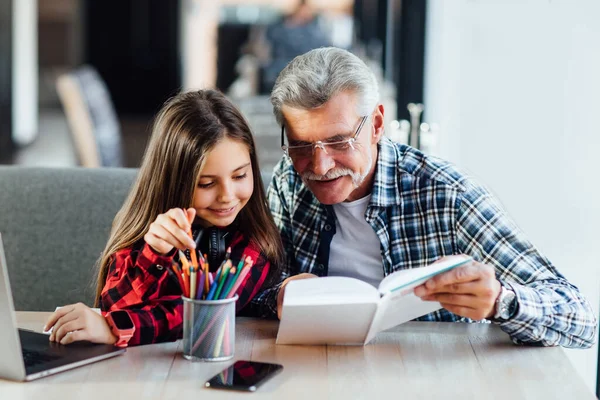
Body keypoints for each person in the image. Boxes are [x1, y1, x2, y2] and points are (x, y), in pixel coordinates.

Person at [251, 47, 596, 348]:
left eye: (340, 141)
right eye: (301, 144)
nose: (319, 166)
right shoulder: (289, 177)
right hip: (322, 369)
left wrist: (502, 301)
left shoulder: (449, 196)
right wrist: (278, 295)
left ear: (376, 125)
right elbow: (264, 282)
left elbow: (580, 319)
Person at [43, 89, 284, 346]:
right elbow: (113, 306)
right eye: (206, 183)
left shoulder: (256, 242)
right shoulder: (147, 231)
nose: (227, 195)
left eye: (239, 176)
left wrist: (114, 329)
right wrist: (154, 255)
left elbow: (207, 314)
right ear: (175, 182)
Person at [262, 0, 332, 92]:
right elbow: (266, 48)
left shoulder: (313, 30)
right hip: (281, 67)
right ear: (298, 9)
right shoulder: (279, 28)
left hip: (307, 69)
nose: (307, 14)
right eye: (304, 10)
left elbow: (324, 48)